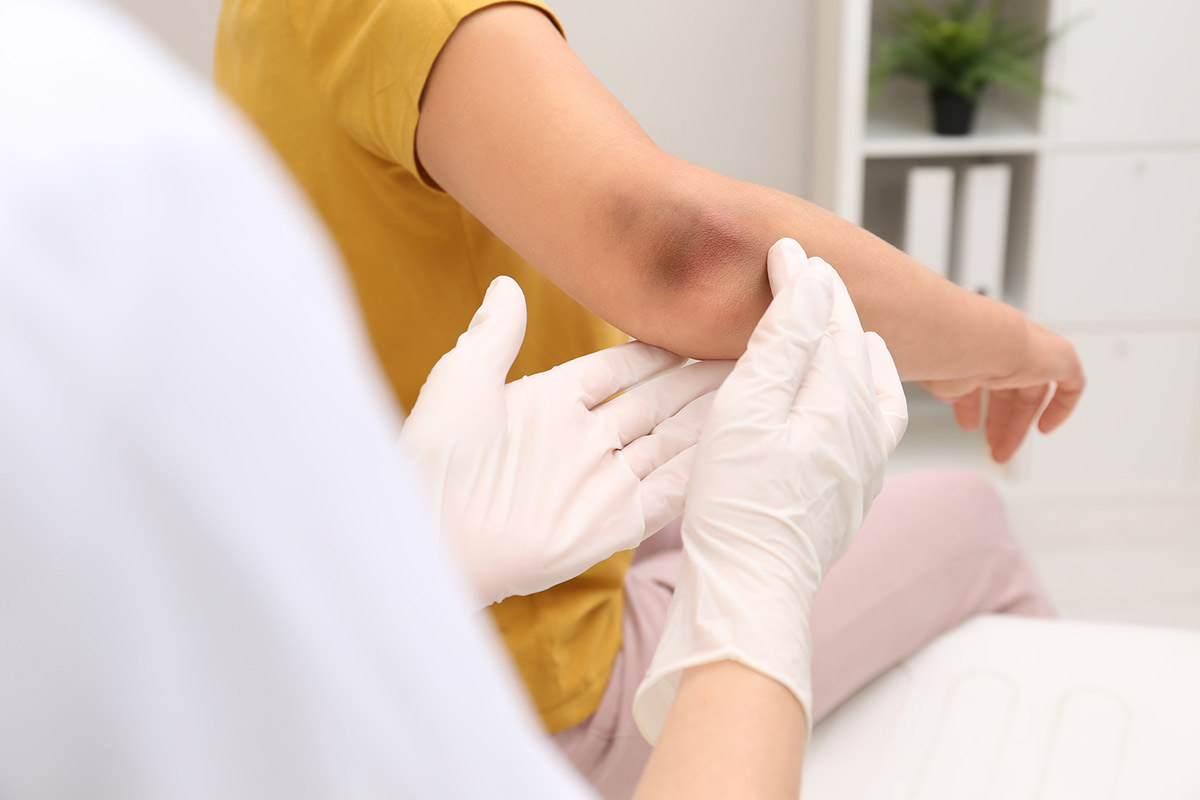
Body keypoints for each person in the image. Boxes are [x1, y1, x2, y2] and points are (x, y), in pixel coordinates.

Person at [1, 3, 900, 797]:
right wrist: (756, 606)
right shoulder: (89, 155)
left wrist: (405, 555)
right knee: (964, 520)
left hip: (457, 612)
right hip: (551, 684)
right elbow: (695, 252)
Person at [214, 2, 1066, 793]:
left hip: (425, 569)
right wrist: (1002, 345)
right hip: (533, 691)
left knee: (710, 498)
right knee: (976, 524)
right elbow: (694, 255)